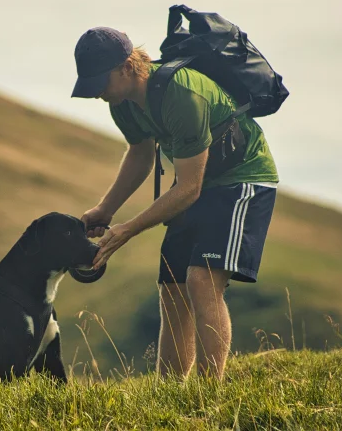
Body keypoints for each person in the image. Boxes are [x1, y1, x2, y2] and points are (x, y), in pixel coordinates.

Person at [72, 27, 278, 379]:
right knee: (172, 286)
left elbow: (188, 189)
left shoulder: (182, 93)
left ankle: (207, 396)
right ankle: (170, 393)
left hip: (241, 179)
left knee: (201, 280)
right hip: (197, 182)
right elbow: (140, 155)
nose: (97, 93)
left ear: (126, 67)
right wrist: (105, 211)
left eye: (99, 81)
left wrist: (127, 230)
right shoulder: (121, 103)